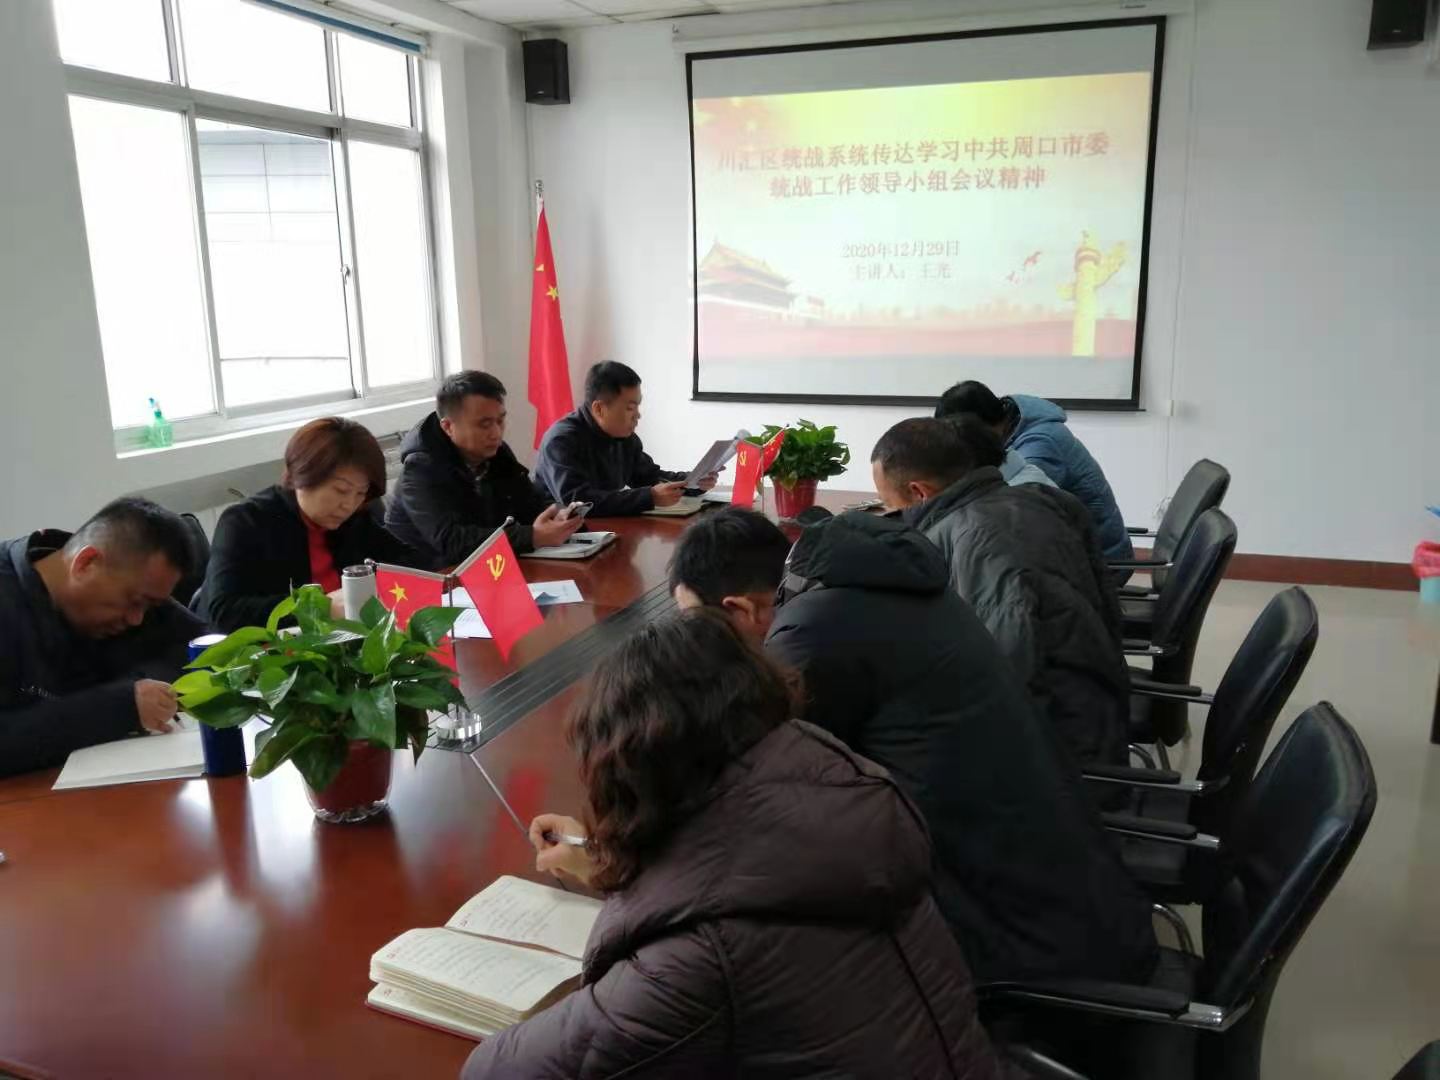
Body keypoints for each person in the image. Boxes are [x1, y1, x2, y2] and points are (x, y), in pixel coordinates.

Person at [462, 609, 1007, 1079]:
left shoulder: (701, 956)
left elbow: (501, 1071)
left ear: (628, 774)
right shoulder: (838, 786)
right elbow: (742, 865)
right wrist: (614, 863)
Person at [669, 508, 1158, 985]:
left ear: (741, 609)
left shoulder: (809, 635)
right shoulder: (868, 587)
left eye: (696, 624)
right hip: (1063, 892)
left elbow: (758, 789)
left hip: (1006, 936)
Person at [872, 418, 1129, 768]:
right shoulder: (1032, 500)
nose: (890, 513)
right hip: (1093, 700)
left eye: (887, 502)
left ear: (919, 492)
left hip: (1057, 752)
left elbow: (1003, 681)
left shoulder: (980, 544)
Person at [0, 497, 205, 777]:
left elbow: (206, 646)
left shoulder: (128, 578)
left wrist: (145, 688)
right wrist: (121, 705)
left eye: (148, 607)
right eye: (134, 602)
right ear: (86, 563)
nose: (136, 619)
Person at [196, 418, 416, 632]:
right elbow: (224, 612)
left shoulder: (354, 520)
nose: (349, 504)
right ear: (301, 475)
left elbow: (408, 563)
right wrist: (319, 608)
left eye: (361, 493)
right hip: (273, 650)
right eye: (340, 490)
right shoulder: (245, 521)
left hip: (341, 642)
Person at [386, 371, 580, 567]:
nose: (496, 433)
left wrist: (558, 516)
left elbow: (528, 504)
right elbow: (452, 541)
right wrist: (533, 536)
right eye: (484, 425)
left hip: (486, 566)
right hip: (430, 574)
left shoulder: (497, 452)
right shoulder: (421, 468)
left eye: (500, 421)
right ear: (448, 427)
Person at [936, 380, 1133, 562]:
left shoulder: (1040, 444)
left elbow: (1013, 513)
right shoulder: (1014, 427)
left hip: (1099, 560)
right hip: (1073, 549)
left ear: (980, 427)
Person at [533, 360, 714, 516]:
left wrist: (693, 482)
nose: (638, 415)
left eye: (637, 407)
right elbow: (578, 501)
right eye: (630, 408)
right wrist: (648, 497)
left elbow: (651, 477)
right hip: (562, 535)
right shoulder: (561, 441)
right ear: (599, 409)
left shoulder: (625, 437)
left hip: (606, 528)